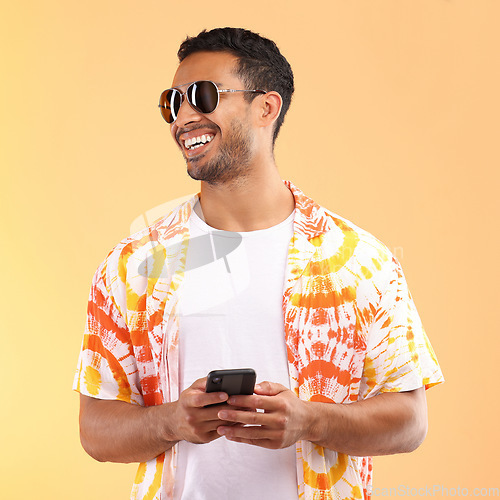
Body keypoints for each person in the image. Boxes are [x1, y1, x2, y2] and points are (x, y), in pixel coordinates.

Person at [74, 27, 444, 500]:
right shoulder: (134, 264)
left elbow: (410, 423)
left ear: (266, 107)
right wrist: (171, 421)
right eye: (173, 102)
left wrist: (310, 420)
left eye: (202, 96)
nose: (183, 116)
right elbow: (95, 430)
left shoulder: (360, 260)